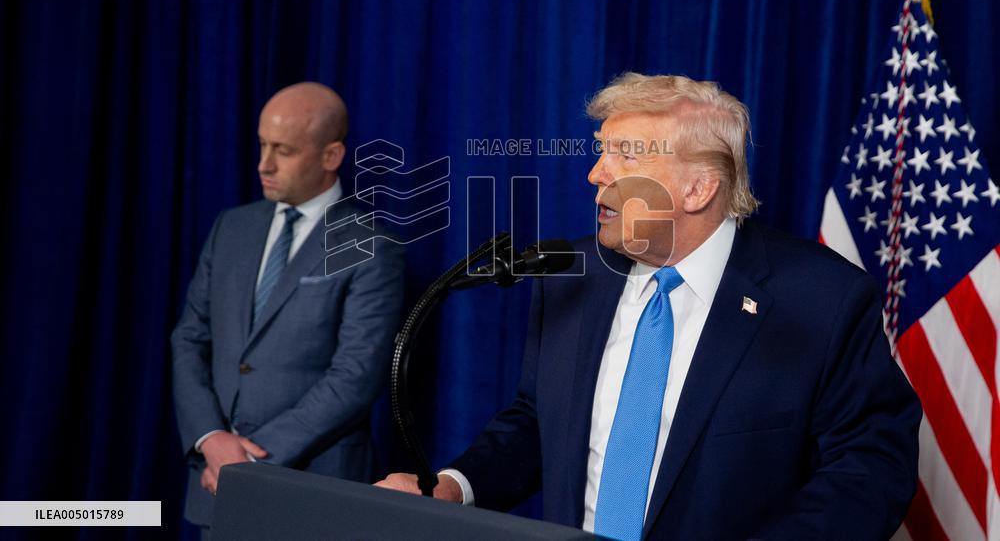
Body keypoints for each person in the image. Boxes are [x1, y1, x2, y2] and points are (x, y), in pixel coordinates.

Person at [377, 73, 920, 540]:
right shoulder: (572, 275)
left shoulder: (822, 298)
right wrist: (455, 486)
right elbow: (537, 423)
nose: (596, 174)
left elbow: (868, 469)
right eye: (601, 150)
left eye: (627, 155)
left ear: (698, 189)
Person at [172, 82, 405, 537]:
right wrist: (210, 440)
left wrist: (245, 460)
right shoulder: (231, 228)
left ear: (331, 156)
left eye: (284, 150)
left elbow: (356, 375)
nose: (264, 164)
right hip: (215, 485)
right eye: (262, 145)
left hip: (312, 490)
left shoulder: (372, 246)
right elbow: (189, 339)